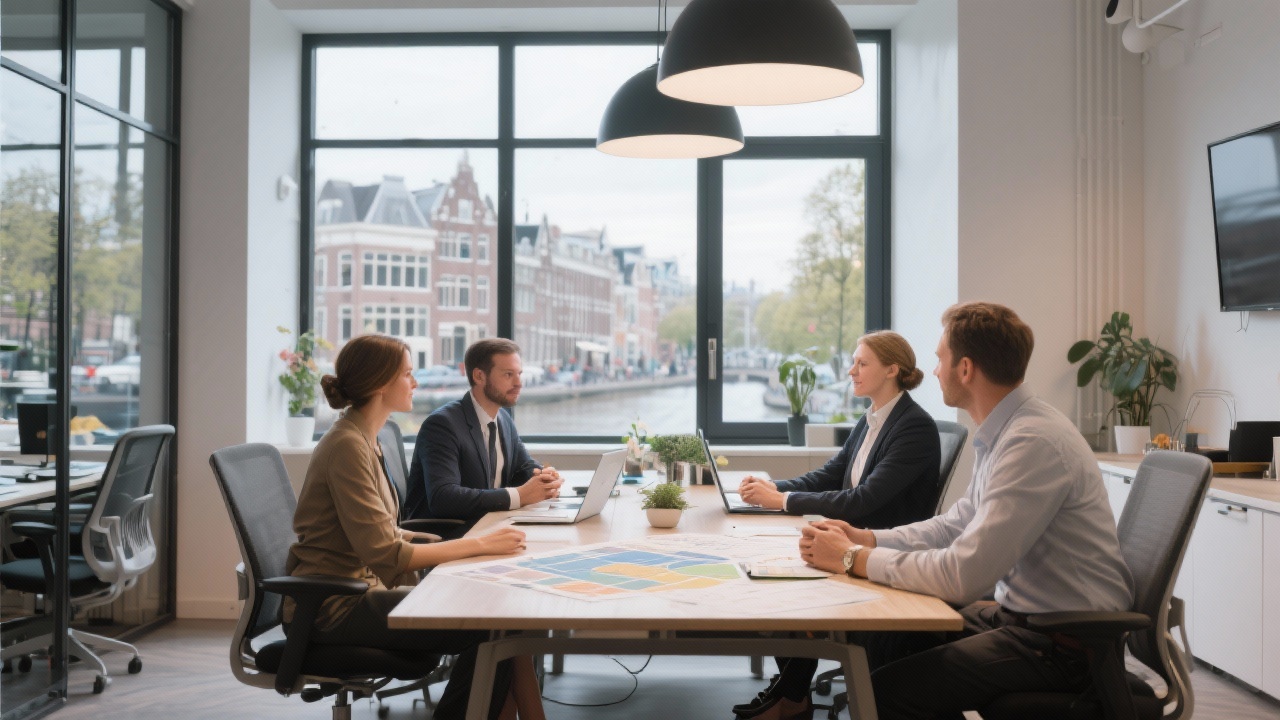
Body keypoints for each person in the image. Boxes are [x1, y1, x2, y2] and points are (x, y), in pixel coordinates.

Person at [799, 302, 1134, 720]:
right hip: (1024, 621)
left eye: (941, 358)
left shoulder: (1033, 442)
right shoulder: (1006, 430)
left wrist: (854, 559)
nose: (934, 370)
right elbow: (956, 524)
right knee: (886, 637)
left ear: (965, 369)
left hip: (1063, 645)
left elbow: (962, 575)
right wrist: (867, 539)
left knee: (884, 691)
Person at [287, 334, 545, 720]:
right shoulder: (347, 446)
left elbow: (386, 531)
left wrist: (468, 545)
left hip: (365, 590)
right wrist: (479, 546)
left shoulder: (363, 439)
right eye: (408, 374)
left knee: (504, 615)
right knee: (496, 620)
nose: (416, 383)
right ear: (379, 384)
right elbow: (387, 552)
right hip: (336, 606)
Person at [733, 331, 941, 720]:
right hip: (847, 539)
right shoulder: (873, 418)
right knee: (773, 575)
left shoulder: (914, 428)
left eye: (862, 363)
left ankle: (790, 698)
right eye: (853, 362)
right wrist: (775, 487)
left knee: (786, 587)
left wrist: (783, 501)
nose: (851, 371)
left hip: (876, 550)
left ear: (892, 369)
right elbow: (832, 474)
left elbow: (863, 500)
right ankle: (791, 694)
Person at [404, 338, 562, 528]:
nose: (519, 383)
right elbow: (443, 498)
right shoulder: (443, 425)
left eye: (519, 374)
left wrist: (544, 479)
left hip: (490, 526)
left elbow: (523, 467)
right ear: (479, 376)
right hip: (448, 534)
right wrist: (520, 495)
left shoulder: (503, 419)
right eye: (508, 374)